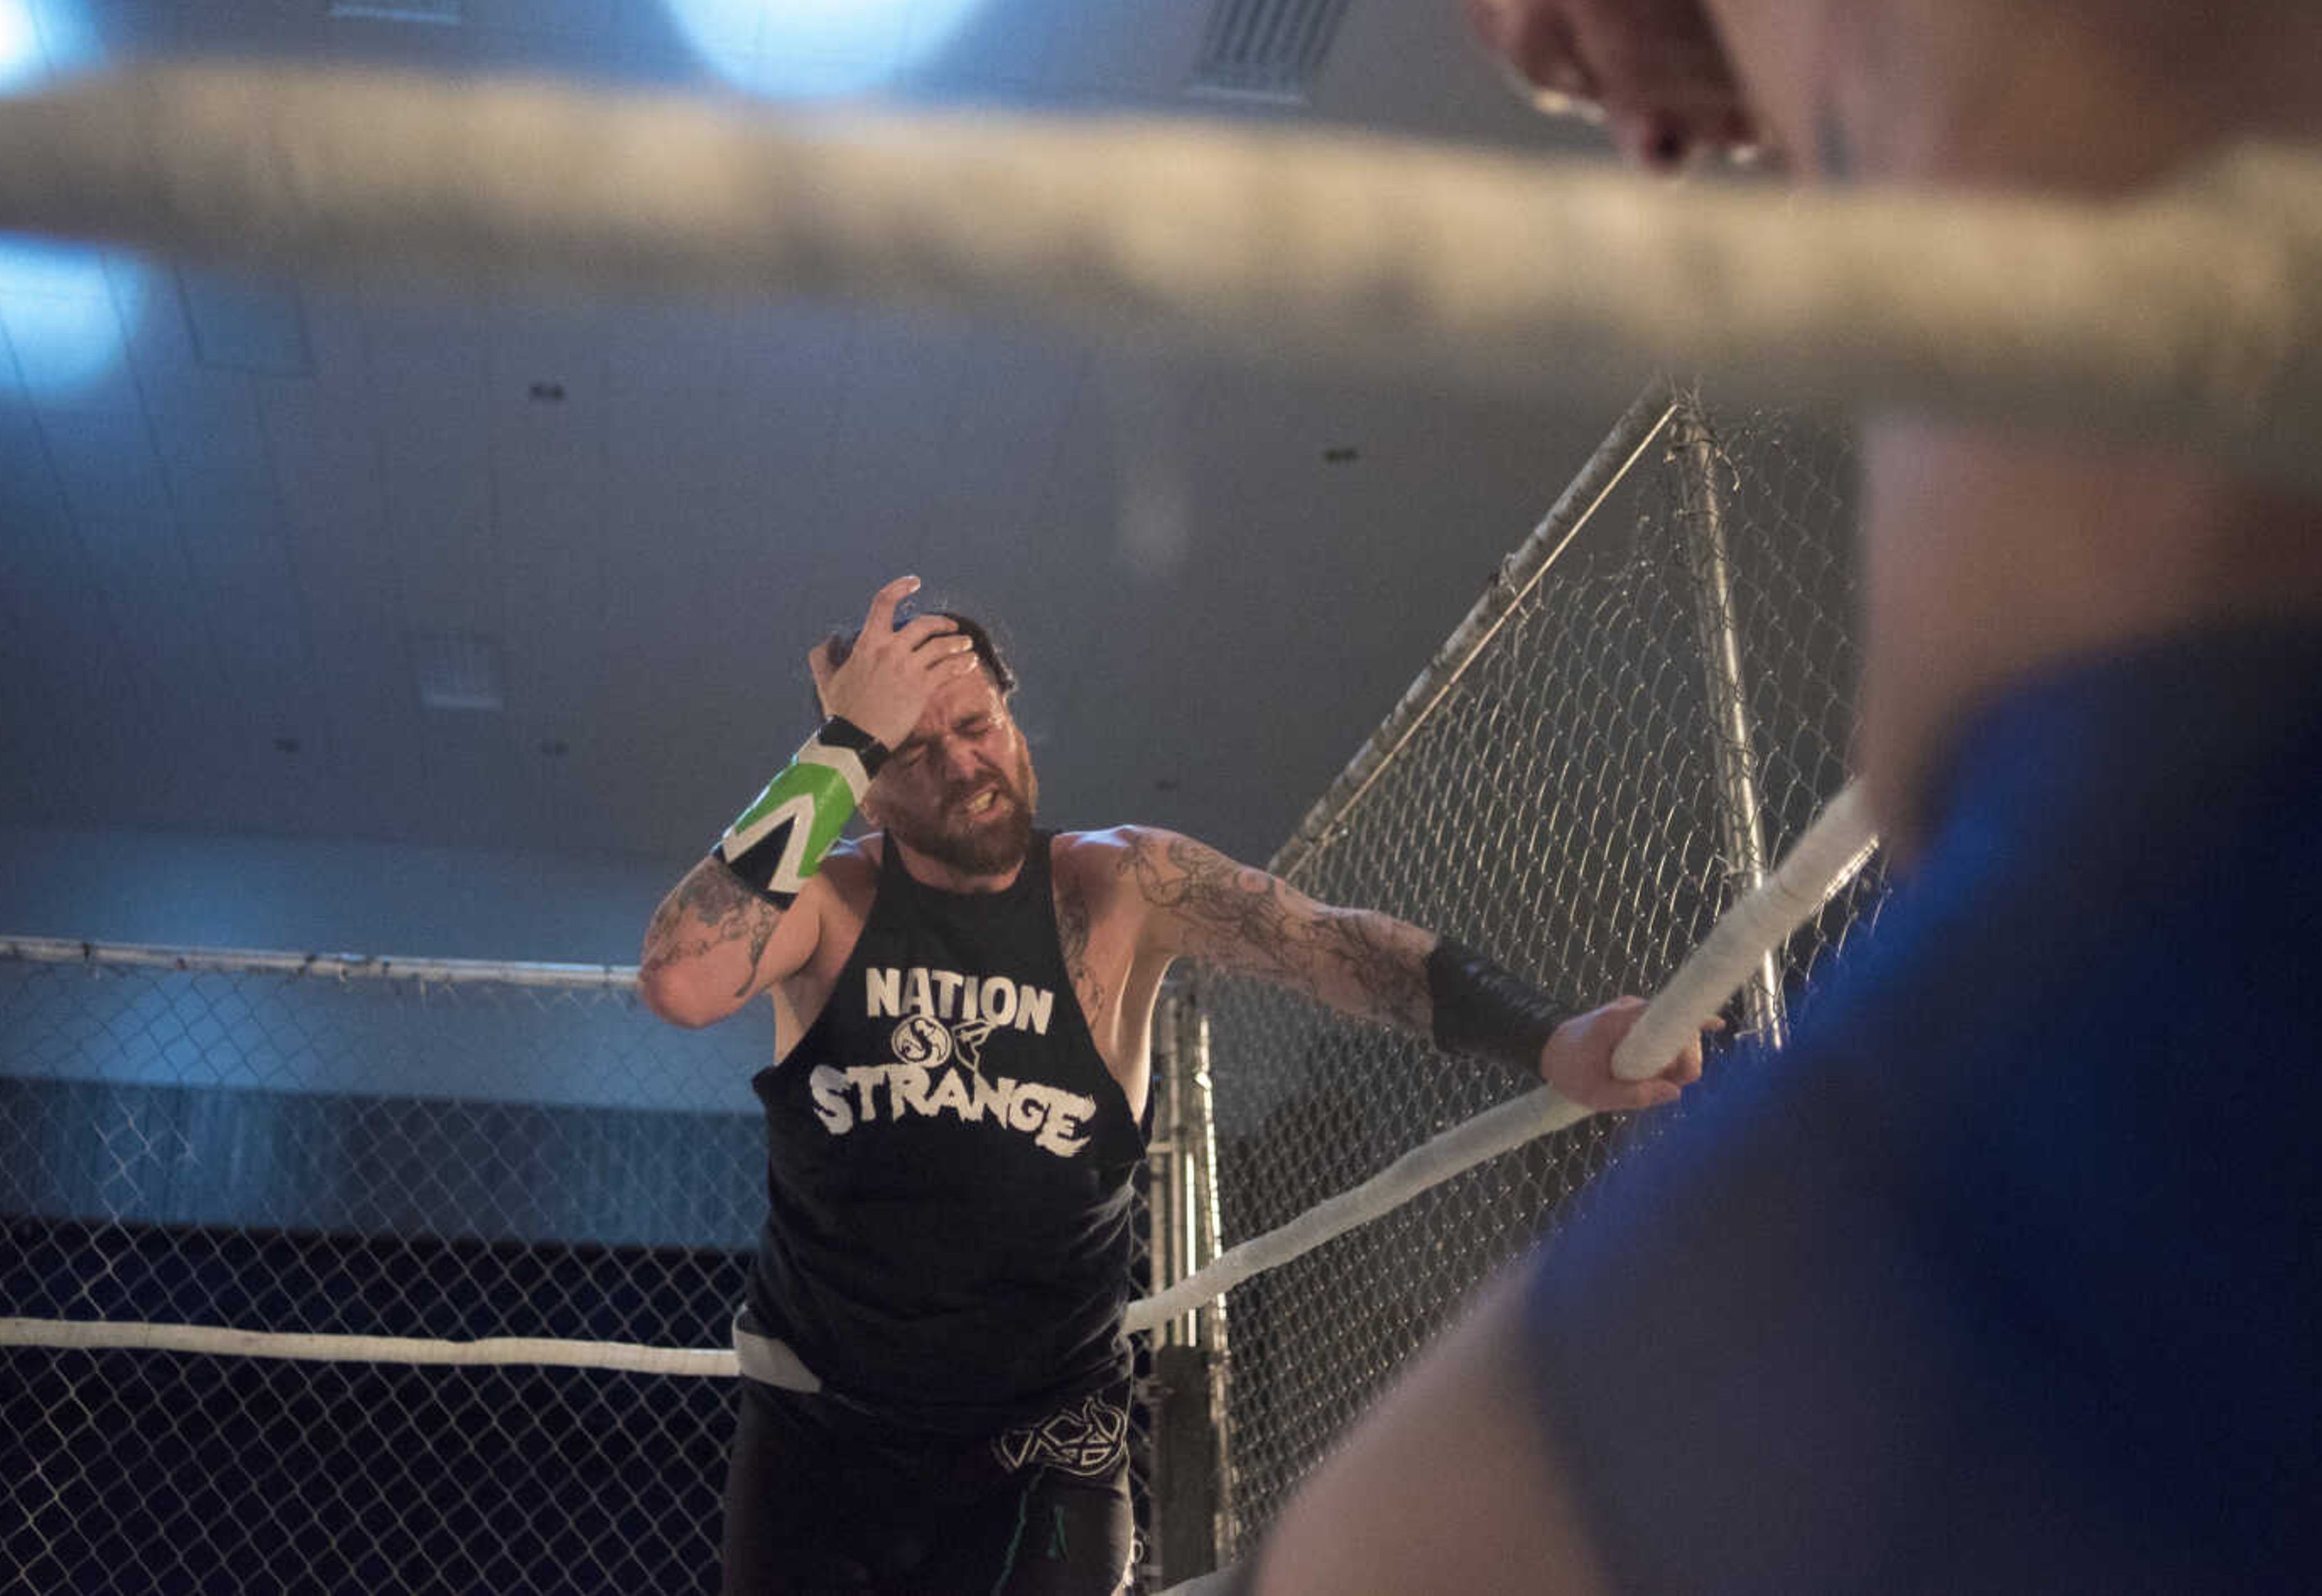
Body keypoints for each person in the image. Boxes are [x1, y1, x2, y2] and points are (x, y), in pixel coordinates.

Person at [1245, 0, 2322, 1591]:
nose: (1627, 135)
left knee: (1407, 1552)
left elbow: (1286, 923)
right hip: (2181, 937)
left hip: (2228, 907)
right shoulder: (1878, 15)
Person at [639, 574, 1699, 1596]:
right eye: (911, 749)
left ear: (1012, 717)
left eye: (978, 726)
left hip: (1043, 1442)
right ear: (862, 785)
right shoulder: (830, 904)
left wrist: (1547, 1036)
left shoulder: (1119, 888)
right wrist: (838, 741)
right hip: (822, 1438)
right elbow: (684, 979)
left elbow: (1329, 946)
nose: (965, 765)